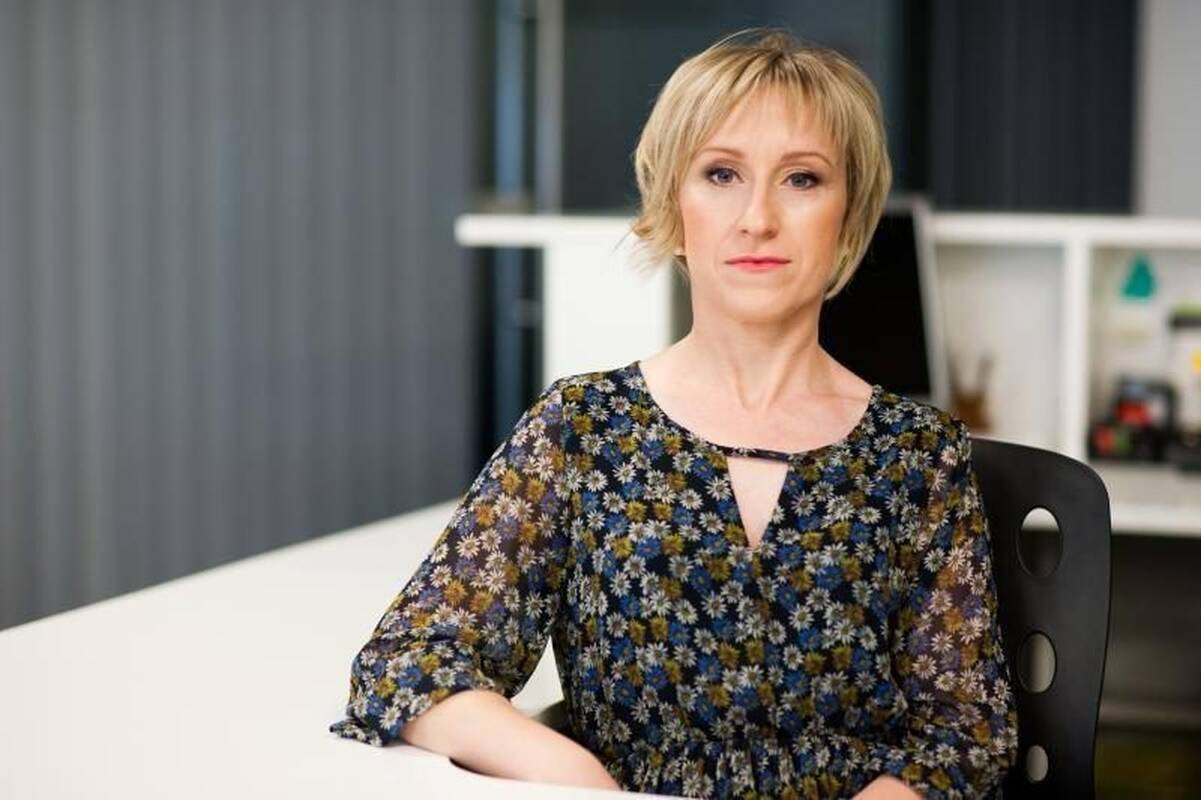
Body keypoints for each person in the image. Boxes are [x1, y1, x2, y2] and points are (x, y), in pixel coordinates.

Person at [329, 27, 1019, 799]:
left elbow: (963, 736)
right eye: (721, 174)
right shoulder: (581, 427)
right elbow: (408, 663)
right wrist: (575, 776)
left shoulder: (919, 454)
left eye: (801, 179)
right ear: (673, 200)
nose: (756, 217)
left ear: (847, 209)